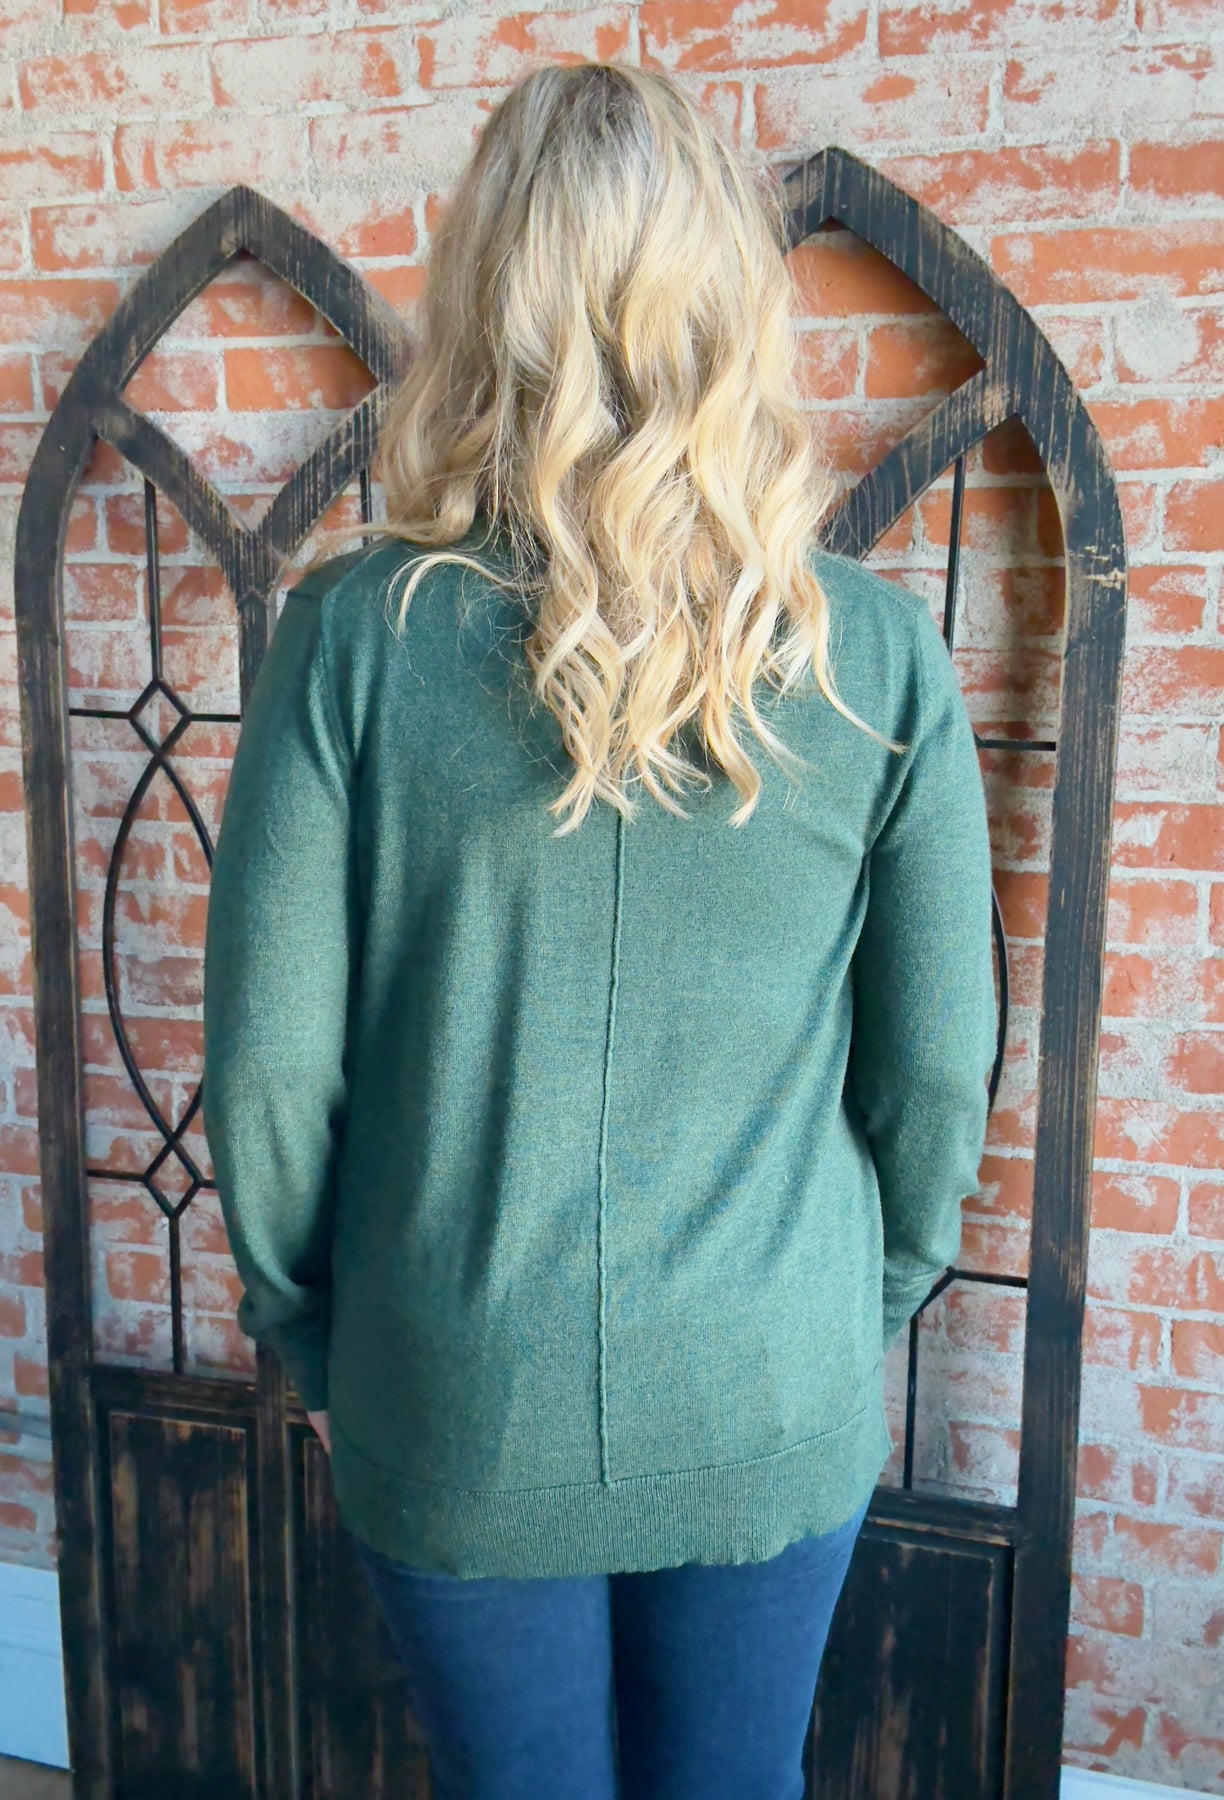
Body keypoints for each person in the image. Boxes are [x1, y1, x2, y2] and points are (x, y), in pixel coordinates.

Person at [201, 59, 997, 1800]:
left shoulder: (351, 639)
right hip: (772, 1374)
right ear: (732, 303)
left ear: (482, 296)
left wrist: (313, 1340)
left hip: (452, 1388)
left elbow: (266, 1072)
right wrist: (853, 1303)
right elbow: (938, 1073)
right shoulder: (872, 656)